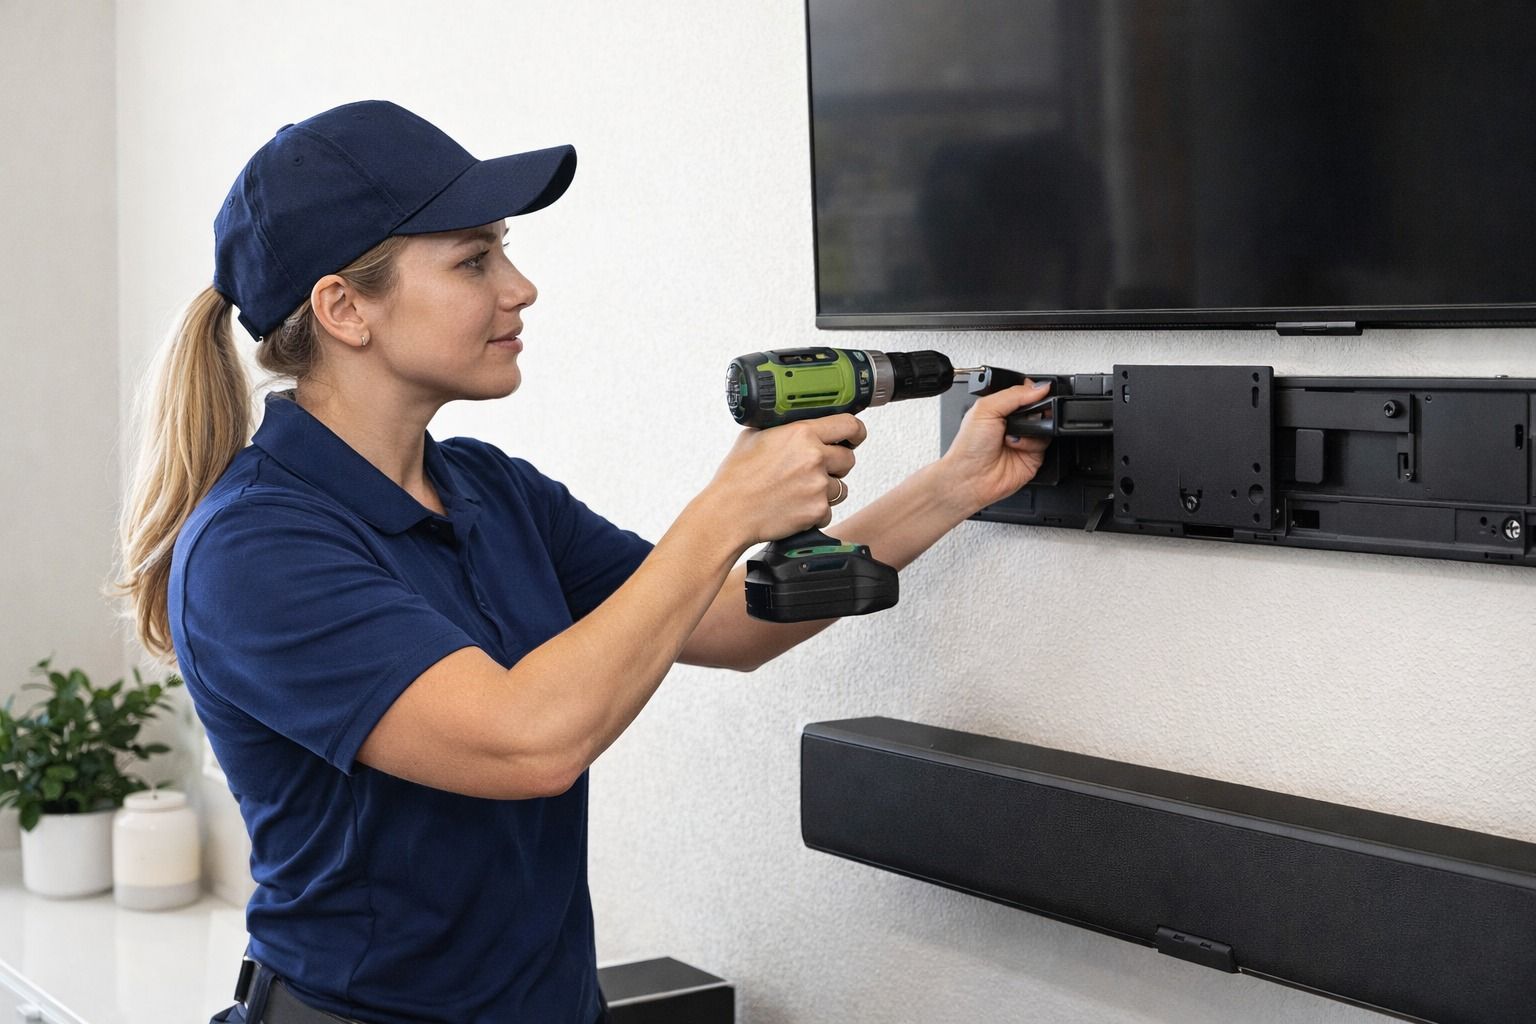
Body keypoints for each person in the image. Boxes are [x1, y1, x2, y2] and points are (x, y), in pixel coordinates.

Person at [116, 100, 1051, 1024]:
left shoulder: (487, 488)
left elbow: (726, 620)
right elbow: (530, 741)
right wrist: (724, 510)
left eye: (505, 252)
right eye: (474, 260)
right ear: (344, 307)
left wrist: (952, 487)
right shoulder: (255, 547)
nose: (519, 288)